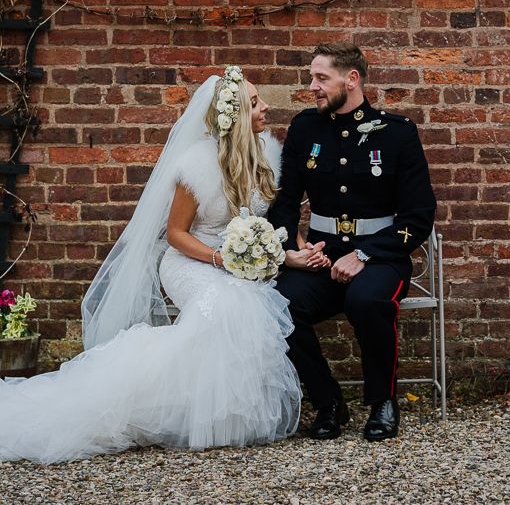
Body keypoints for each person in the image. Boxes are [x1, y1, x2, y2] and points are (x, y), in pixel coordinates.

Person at [0, 67, 305, 464]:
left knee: (247, 303)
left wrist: (280, 247)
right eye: (254, 102)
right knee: (228, 306)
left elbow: (272, 216)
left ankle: (230, 417)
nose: (265, 106)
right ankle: (144, 399)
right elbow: (176, 234)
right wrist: (221, 258)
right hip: (190, 262)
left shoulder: (267, 154)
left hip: (234, 263)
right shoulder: (196, 165)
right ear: (233, 116)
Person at [269, 42, 436, 442]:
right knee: (278, 305)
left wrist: (364, 254)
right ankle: (328, 403)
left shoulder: (397, 134)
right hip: (322, 256)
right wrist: (291, 249)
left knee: (367, 300)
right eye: (312, 77)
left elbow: (418, 216)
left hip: (381, 257)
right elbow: (286, 201)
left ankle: (382, 402)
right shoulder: (305, 128)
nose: (312, 86)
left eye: (321, 78)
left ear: (352, 79)